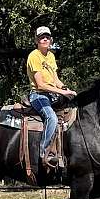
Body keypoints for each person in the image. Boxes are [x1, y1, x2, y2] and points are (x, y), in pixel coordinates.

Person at [26, 26, 77, 167]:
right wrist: (61, 92)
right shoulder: (34, 56)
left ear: (51, 39)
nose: (45, 39)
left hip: (53, 95)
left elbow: (56, 80)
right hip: (38, 95)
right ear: (37, 40)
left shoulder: (51, 56)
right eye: (42, 37)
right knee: (52, 118)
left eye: (47, 37)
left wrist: (66, 89)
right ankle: (44, 151)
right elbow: (40, 85)